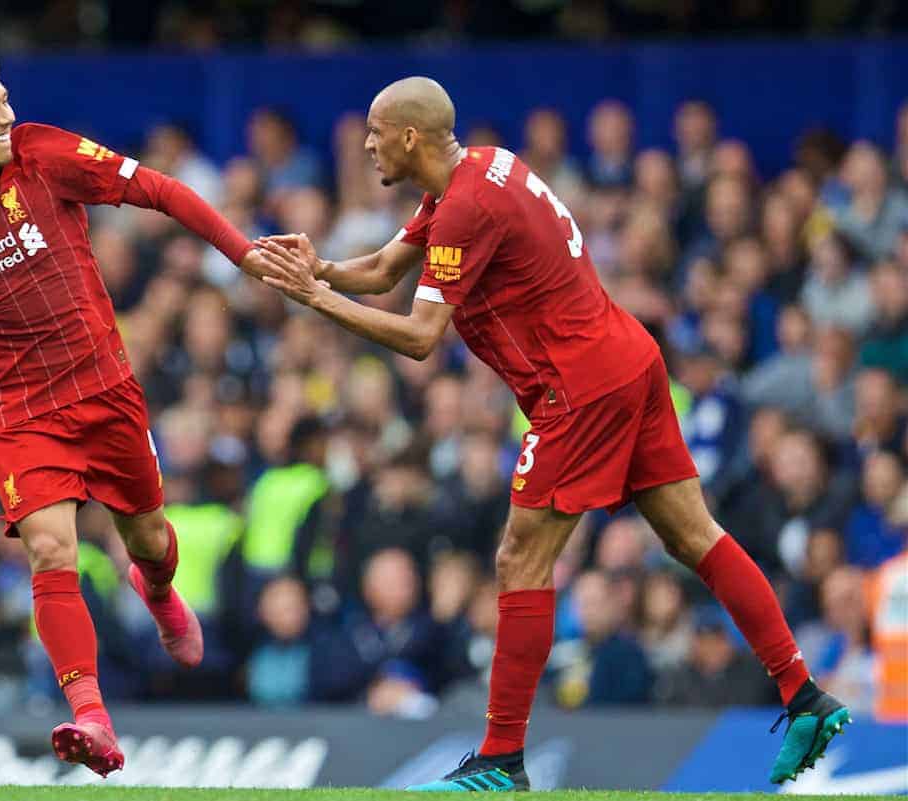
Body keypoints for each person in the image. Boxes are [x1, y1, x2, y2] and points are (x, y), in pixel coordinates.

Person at [257, 76, 849, 792]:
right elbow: (384, 270)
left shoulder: (466, 206)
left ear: (411, 136)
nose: (367, 145)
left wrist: (315, 299)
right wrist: (315, 267)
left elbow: (419, 337)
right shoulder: (478, 171)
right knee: (696, 537)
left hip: (579, 389)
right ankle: (805, 695)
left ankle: (502, 758)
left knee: (519, 557)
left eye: (376, 132)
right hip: (625, 357)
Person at [0, 52, 269, 777]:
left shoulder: (44, 155)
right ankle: (91, 714)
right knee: (50, 548)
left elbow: (157, 189)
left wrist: (240, 251)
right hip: (14, 409)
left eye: (6, 100)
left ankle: (156, 592)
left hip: (101, 388)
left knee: (150, 537)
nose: (6, 114)